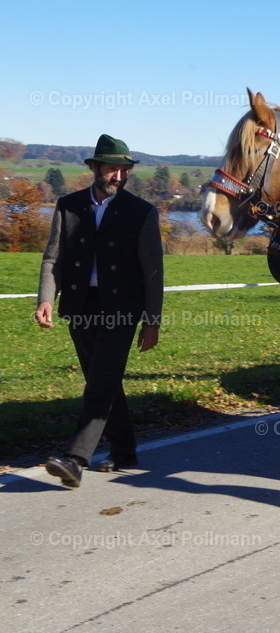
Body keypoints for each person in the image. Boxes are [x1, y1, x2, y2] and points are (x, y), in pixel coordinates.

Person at [36, 134, 164, 488]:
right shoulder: (68, 205)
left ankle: (76, 459)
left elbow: (154, 273)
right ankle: (124, 451)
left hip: (122, 311)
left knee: (102, 379)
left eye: (124, 171)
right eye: (112, 169)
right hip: (79, 307)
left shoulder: (142, 212)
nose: (118, 177)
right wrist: (46, 298)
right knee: (102, 381)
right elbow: (53, 258)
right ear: (95, 169)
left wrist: (152, 322)